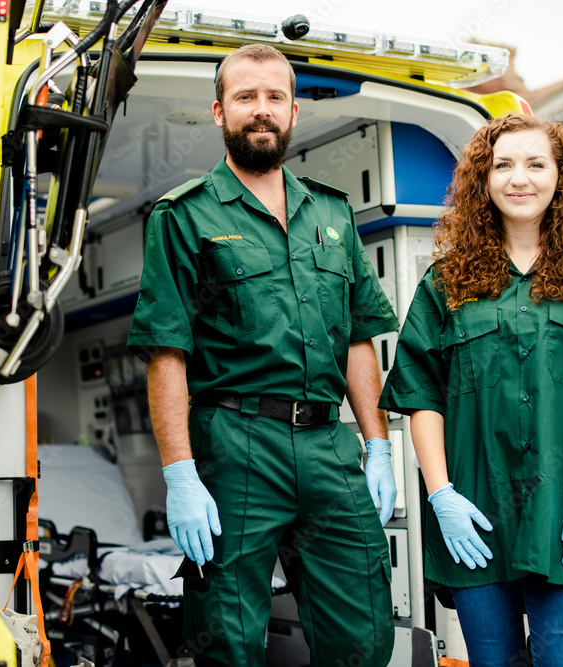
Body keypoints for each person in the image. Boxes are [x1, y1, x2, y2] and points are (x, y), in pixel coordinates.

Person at [126, 43, 398, 666]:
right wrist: (179, 472)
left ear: (295, 112)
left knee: (364, 634)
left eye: (275, 97)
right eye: (246, 97)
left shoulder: (331, 213)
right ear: (219, 112)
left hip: (330, 447)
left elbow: (359, 335)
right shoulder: (183, 215)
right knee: (228, 638)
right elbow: (166, 352)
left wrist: (378, 444)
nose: (262, 110)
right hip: (235, 444)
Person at [378, 113, 563, 666]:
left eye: (537, 163)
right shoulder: (446, 282)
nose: (520, 178)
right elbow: (420, 397)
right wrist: (441, 496)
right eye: (503, 164)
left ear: (561, 177)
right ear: (483, 179)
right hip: (476, 522)